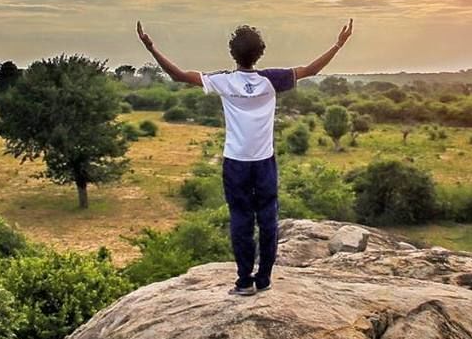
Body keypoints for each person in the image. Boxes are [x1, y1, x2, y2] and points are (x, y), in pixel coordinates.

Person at [136, 18, 354, 295]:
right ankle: (263, 279)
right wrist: (338, 45)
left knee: (240, 220)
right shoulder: (271, 79)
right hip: (264, 161)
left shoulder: (225, 81)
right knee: (267, 220)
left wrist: (151, 48)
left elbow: (179, 75)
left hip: (236, 162)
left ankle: (244, 281)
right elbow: (310, 70)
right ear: (259, 53)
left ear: (233, 53)